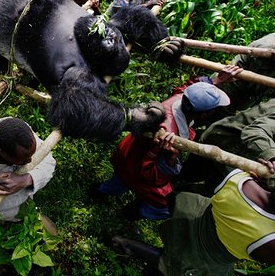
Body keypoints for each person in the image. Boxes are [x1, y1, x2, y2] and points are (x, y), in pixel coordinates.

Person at [112, 162, 275, 276]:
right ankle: (123, 244)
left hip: (194, 213)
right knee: (171, 263)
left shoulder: (240, 179)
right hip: (207, 254)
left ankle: (127, 212)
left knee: (166, 209)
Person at [92, 82, 231, 220]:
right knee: (165, 206)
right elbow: (148, 174)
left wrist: (216, 80)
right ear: (205, 114)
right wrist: (170, 159)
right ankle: (129, 213)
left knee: (117, 182)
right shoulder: (169, 137)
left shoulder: (178, 99)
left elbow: (184, 88)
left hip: (127, 149)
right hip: (134, 167)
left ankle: (101, 191)